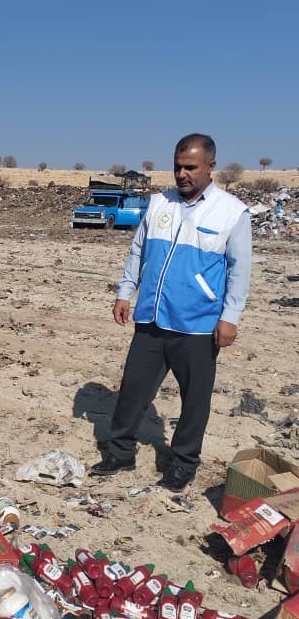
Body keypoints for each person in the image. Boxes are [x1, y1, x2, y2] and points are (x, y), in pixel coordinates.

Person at [90, 134, 251, 491]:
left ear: (211, 166)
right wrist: (125, 292)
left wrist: (230, 317)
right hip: (151, 317)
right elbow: (137, 251)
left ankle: (182, 464)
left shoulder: (231, 212)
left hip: (197, 323)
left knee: (194, 400)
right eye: (178, 166)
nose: (182, 174)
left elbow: (240, 271)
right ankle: (120, 453)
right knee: (133, 389)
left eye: (190, 167)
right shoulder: (159, 203)